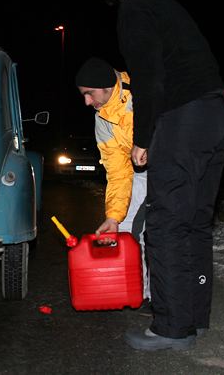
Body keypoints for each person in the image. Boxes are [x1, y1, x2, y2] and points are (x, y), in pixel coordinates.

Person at [101, 0, 224, 351]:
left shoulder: (134, 11)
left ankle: (171, 328)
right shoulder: (169, 6)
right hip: (218, 112)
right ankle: (194, 318)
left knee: (165, 222)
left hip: (184, 116)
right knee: (194, 220)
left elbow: (147, 78)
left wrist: (143, 139)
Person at [75, 57, 151, 313]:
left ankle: (170, 294)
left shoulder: (143, 92)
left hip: (174, 167)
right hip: (140, 172)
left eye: (89, 93)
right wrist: (113, 216)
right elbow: (118, 171)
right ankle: (139, 292)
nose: (86, 101)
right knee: (126, 228)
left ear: (106, 85)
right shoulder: (103, 119)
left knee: (166, 230)